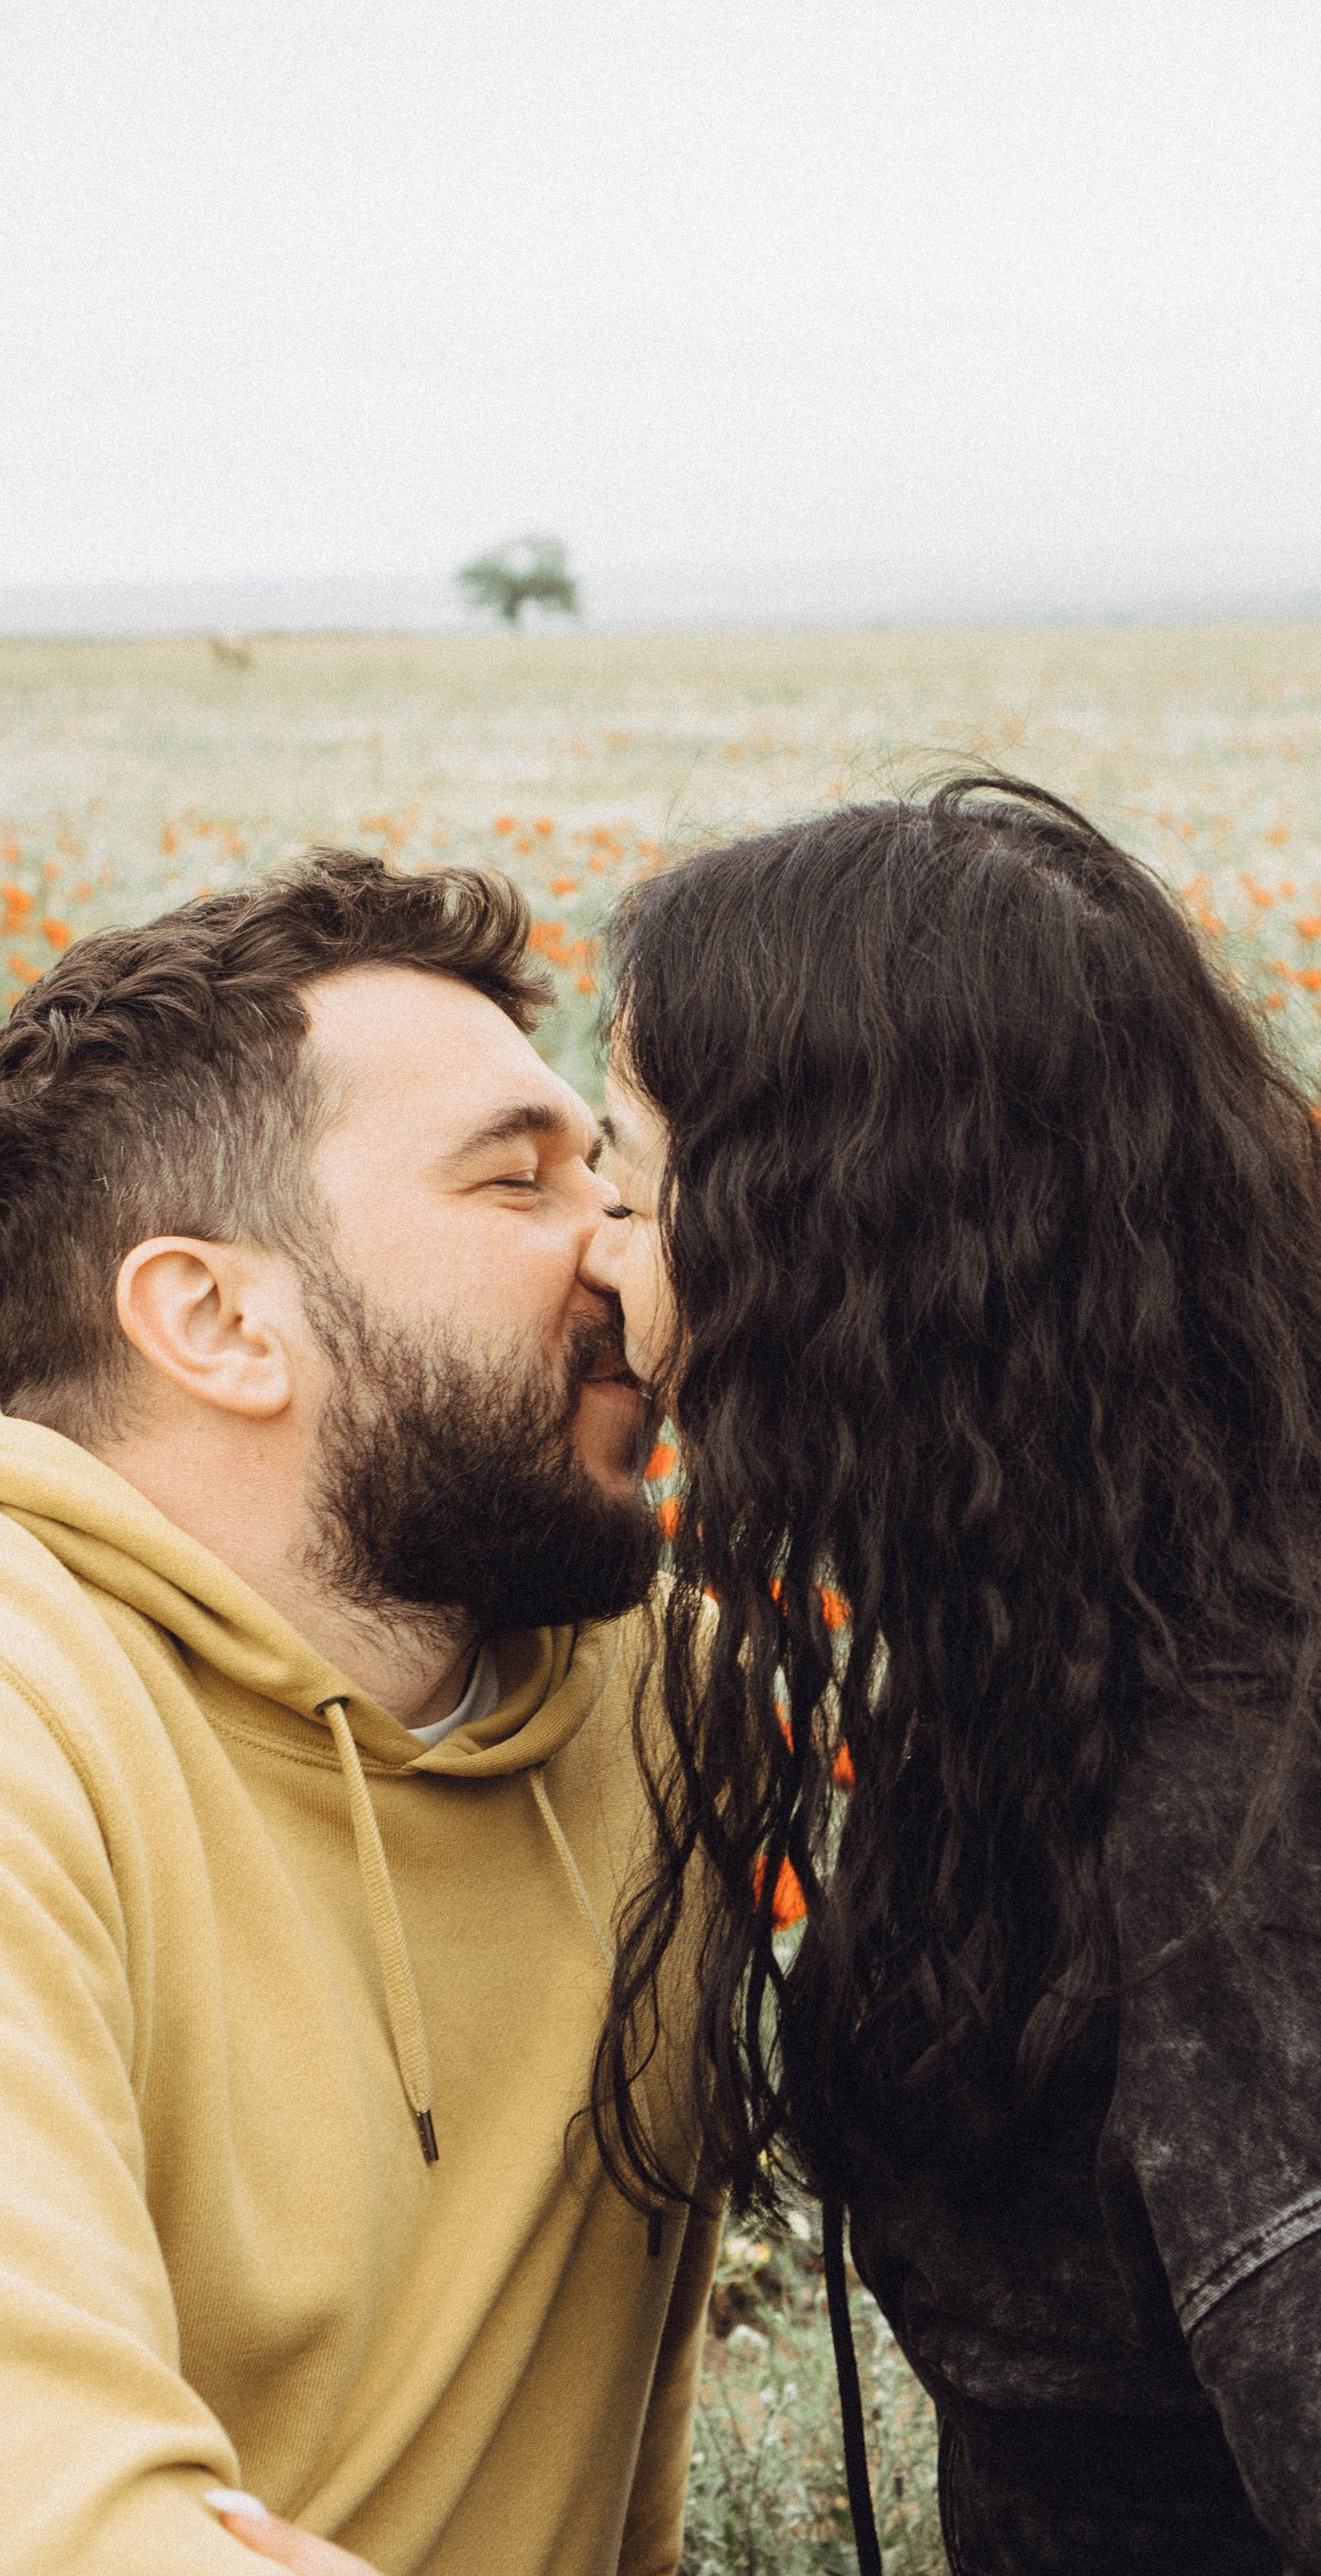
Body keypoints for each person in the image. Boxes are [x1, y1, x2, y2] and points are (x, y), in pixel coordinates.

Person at [581, 775, 1321, 2576]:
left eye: (625, 1171)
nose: (591, 1245)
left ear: (825, 1245)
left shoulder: (1260, 1833)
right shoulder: (1053, 1626)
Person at [0, 852, 716, 2576]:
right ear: (222, 1320)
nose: (627, 1255)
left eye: (610, 1174)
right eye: (516, 1183)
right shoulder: (32, 1712)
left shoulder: (660, 1694)